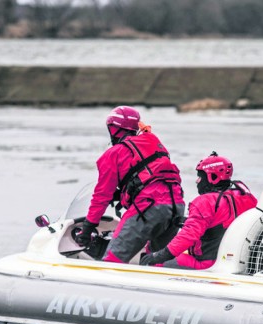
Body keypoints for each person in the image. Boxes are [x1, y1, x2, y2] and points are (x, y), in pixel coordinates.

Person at [76, 106, 185, 263]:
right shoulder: (153, 141)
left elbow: (101, 196)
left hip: (148, 208)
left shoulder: (113, 154)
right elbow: (150, 176)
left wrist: (87, 229)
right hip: (176, 206)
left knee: (112, 261)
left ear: (114, 130)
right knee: (156, 260)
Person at [140, 152, 257, 269]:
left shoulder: (205, 202)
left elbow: (188, 236)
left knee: (151, 262)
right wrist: (187, 221)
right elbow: (222, 221)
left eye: (200, 177)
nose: (197, 181)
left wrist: (158, 256)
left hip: (207, 263)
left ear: (213, 177)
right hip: (232, 260)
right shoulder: (244, 196)